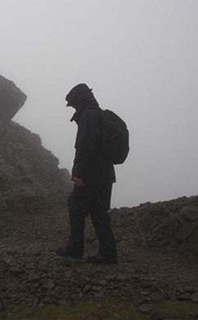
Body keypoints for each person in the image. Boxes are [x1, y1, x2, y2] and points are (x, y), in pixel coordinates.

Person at [56, 83, 118, 264]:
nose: (73, 107)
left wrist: (79, 174)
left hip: (91, 175)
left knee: (75, 207)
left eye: (74, 104)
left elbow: (86, 146)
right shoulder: (98, 114)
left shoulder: (88, 116)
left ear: (79, 100)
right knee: (99, 213)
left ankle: (74, 250)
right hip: (105, 175)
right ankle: (108, 253)